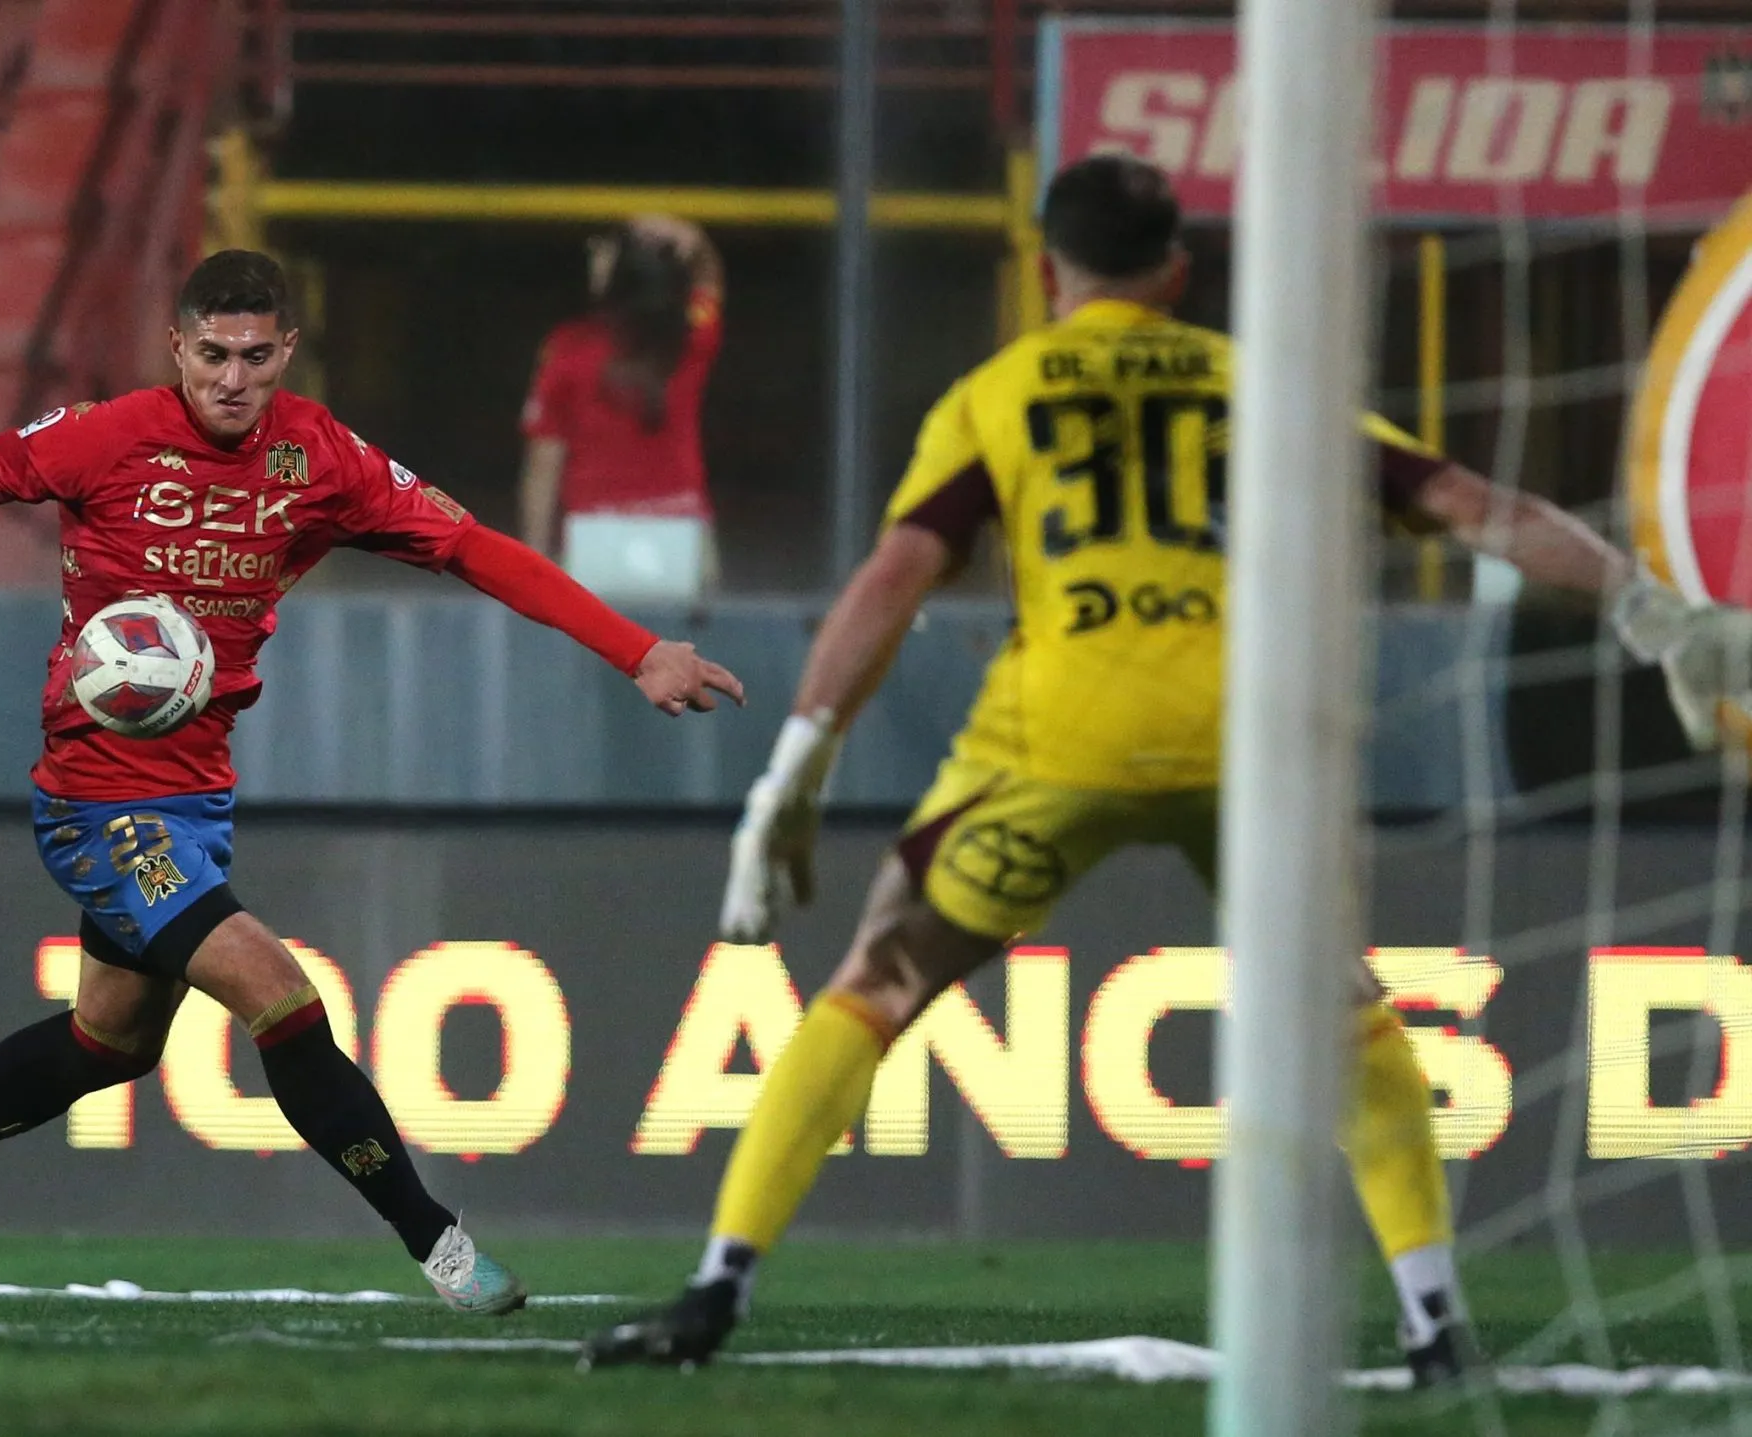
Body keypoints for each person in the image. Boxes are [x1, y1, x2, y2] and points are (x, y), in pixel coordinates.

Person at [581, 154, 1752, 1379]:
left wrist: (791, 776)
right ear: (1178, 272)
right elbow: (1471, 504)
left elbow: (893, 578)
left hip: (1059, 733)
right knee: (1342, 1011)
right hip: (1246, 738)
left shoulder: (998, 392)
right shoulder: (1265, 386)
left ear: (1046, 273)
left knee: (878, 977)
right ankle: (1434, 1320)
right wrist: (1649, 608)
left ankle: (715, 1293)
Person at [0, 249, 743, 1313]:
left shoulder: (320, 458)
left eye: (256, 356)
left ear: (286, 353)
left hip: (193, 800)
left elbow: (476, 550)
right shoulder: (102, 438)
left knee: (109, 1042)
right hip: (93, 797)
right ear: (177, 348)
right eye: (212, 353)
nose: (232, 377)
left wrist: (634, 650)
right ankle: (440, 1248)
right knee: (280, 996)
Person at [519, 214, 723, 603]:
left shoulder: (567, 348)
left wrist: (534, 559)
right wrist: (694, 239)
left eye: (605, 250)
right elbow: (710, 283)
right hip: (683, 533)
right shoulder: (690, 339)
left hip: (592, 540)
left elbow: (544, 463)